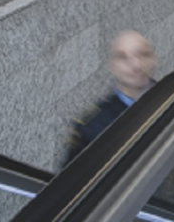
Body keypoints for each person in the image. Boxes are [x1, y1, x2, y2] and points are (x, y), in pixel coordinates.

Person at [62, 31, 157, 167]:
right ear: (111, 66)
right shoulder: (92, 128)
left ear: (153, 59)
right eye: (123, 57)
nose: (136, 65)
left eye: (141, 54)